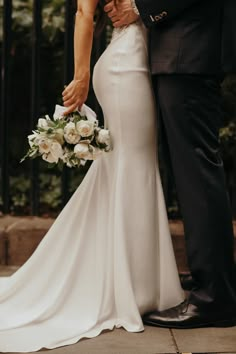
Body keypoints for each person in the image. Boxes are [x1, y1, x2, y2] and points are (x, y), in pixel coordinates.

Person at [0, 0, 184, 352]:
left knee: (132, 170)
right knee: (133, 168)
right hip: (125, 67)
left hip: (137, 61)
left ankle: (139, 282)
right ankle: (131, 287)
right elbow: (85, 12)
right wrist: (80, 78)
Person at [105, 0, 236, 328]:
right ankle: (213, 279)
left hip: (190, 50)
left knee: (198, 175)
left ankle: (214, 297)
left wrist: (141, 7)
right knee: (193, 174)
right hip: (183, 50)